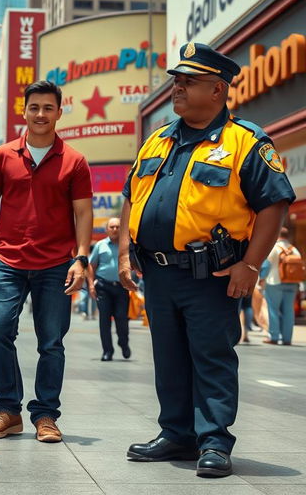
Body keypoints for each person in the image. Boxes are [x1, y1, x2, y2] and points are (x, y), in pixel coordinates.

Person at [119, 42, 295, 478]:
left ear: (217, 90)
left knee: (211, 356)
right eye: (176, 82)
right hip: (158, 272)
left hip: (211, 275)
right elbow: (130, 197)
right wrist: (124, 252)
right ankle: (176, 433)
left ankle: (213, 441)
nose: (177, 89)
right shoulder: (158, 140)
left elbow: (274, 204)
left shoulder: (246, 142)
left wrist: (250, 265)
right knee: (169, 356)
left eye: (188, 82)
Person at [0, 80, 93, 444]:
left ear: (59, 113)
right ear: (23, 112)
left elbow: (83, 213)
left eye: (48, 108)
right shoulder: (2, 156)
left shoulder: (74, 160)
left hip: (57, 263)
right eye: (34, 108)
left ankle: (45, 415)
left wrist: (82, 258)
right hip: (8, 261)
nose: (40, 114)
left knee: (52, 341)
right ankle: (8, 411)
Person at [90, 217, 129, 361]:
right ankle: (107, 351)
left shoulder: (127, 245)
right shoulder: (100, 245)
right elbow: (91, 266)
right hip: (103, 287)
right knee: (104, 320)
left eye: (118, 227)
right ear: (107, 229)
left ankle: (123, 343)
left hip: (121, 287)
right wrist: (90, 285)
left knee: (121, 318)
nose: (114, 229)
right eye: (112, 227)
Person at [263, 227, 302, 345]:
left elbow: (266, 266)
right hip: (292, 283)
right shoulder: (295, 249)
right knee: (289, 310)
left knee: (273, 309)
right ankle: (287, 338)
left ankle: (274, 336)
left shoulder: (274, 248)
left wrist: (261, 278)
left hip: (275, 282)